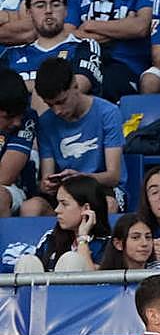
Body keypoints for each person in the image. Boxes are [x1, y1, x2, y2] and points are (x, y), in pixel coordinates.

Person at [30, 57, 124, 216]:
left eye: (61, 101)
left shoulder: (108, 113)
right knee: (31, 207)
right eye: (50, 105)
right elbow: (47, 175)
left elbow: (113, 176)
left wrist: (81, 177)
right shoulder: (46, 121)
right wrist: (47, 185)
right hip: (65, 193)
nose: (57, 111)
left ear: (75, 86)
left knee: (108, 205)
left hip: (101, 189)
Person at [3, 0, 102, 110]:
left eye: (55, 4)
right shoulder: (11, 54)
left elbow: (72, 90)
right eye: (40, 5)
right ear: (29, 12)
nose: (48, 10)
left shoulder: (84, 46)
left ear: (66, 10)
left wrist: (21, 86)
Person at [66, 0, 153, 102]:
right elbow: (68, 33)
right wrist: (121, 28)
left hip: (126, 64)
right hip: (83, 59)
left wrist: (89, 25)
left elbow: (140, 27)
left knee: (107, 87)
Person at [32, 174, 110, 269]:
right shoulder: (50, 237)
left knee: (71, 260)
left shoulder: (107, 244)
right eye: (58, 203)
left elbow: (92, 280)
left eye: (64, 204)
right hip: (47, 284)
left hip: (82, 283)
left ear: (86, 209)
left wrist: (82, 239)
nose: (57, 210)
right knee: (28, 261)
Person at [0, 66, 36, 219]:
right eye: (9, 116)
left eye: (19, 115)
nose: (16, 122)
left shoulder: (27, 119)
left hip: (11, 189)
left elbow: (5, 176)